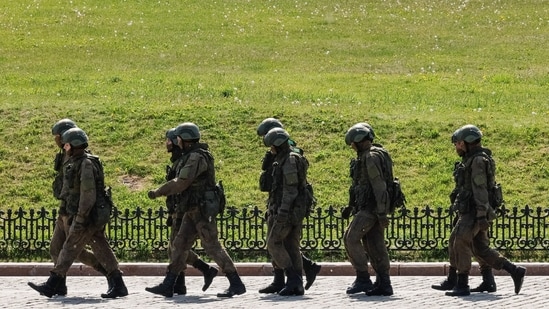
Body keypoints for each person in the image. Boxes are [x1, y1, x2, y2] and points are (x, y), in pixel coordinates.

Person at [145, 122, 246, 298]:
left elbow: (182, 182)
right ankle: (169, 284)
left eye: (178, 138)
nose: (176, 142)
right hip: (191, 210)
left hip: (201, 210)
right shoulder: (190, 155)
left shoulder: (197, 157)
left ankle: (236, 283)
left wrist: (158, 192)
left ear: (185, 139)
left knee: (212, 246)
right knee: (180, 244)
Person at [28, 127, 128, 299]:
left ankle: (53, 283)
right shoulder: (74, 160)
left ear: (73, 145)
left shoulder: (86, 163)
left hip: (85, 215)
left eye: (66, 145)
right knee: (74, 247)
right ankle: (117, 283)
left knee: (69, 248)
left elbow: (88, 194)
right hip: (72, 210)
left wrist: (81, 217)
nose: (64, 147)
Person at [438, 124, 526, 297]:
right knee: (480, 248)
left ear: (465, 143)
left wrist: (480, 215)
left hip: (474, 211)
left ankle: (461, 283)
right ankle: (507, 273)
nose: (456, 147)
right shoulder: (472, 159)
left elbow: (480, 190)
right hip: (471, 210)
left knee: (459, 241)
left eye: (457, 143)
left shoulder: (478, 161)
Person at [44, 119, 113, 296]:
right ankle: (60, 284)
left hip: (79, 213)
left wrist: (81, 215)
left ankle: (112, 276)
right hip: (66, 209)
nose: (56, 140)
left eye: (58, 137)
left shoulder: (83, 160)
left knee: (75, 249)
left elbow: (87, 191)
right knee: (57, 248)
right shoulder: (66, 155)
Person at [256, 118, 321, 293]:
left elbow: (290, 189)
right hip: (279, 204)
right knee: (289, 244)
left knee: (275, 243)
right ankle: (286, 281)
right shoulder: (281, 156)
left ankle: (293, 279)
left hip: (288, 208)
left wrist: (283, 211)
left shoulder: (290, 158)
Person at [161, 128, 218, 295]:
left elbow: (181, 184)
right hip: (179, 206)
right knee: (175, 247)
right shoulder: (179, 158)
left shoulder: (186, 158)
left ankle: (196, 273)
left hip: (185, 207)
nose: (167, 144)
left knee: (177, 247)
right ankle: (181, 283)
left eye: (170, 140)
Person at [342, 123, 393, 296]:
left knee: (350, 238)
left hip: (371, 209)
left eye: (353, 143)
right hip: (371, 208)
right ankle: (384, 283)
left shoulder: (370, 157)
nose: (352, 147)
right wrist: (351, 206)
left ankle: (363, 278)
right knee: (374, 244)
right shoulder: (370, 155)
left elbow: (379, 186)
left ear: (358, 140)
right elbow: (359, 185)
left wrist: (381, 212)